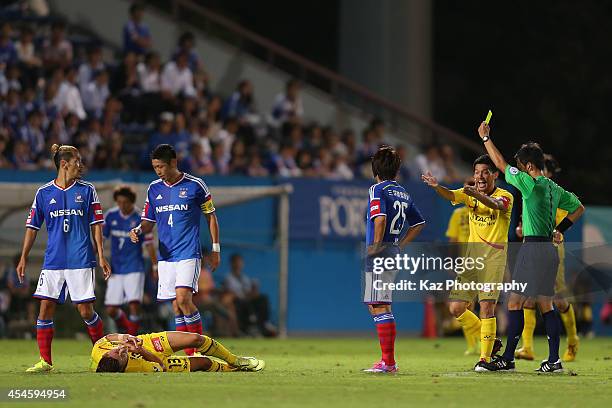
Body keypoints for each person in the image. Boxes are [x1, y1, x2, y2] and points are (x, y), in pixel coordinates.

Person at [477, 121, 584, 373]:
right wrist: (560, 229)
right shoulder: (553, 187)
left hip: (533, 249)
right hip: (549, 249)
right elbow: (579, 208)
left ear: (527, 166)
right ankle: (554, 361)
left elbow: (500, 164)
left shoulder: (528, 183)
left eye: (520, 165)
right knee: (546, 304)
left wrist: (485, 139)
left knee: (514, 303)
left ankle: (508, 359)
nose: (517, 169)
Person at [17, 144, 112, 372]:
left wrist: (101, 256)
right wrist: (23, 257)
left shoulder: (88, 190)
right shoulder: (44, 193)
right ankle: (45, 362)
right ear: (64, 164)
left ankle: (103, 357)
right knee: (45, 308)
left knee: (86, 312)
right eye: (77, 161)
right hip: (54, 260)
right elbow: (32, 227)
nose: (81, 165)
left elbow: (96, 225)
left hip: (81, 258)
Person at [422, 154, 512, 371]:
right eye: (476, 172)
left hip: (494, 260)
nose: (479, 176)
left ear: (495, 174)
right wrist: (436, 186)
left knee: (487, 306)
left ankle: (484, 358)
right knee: (456, 307)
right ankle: (491, 340)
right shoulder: (469, 193)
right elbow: (450, 194)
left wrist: (475, 194)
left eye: (484, 172)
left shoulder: (506, 195)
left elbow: (496, 205)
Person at [130, 144, 220, 356]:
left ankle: (199, 351)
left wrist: (215, 249)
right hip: (166, 256)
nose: (158, 171)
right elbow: (147, 222)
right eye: (155, 167)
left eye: (161, 166)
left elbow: (211, 216)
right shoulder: (154, 189)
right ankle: (189, 355)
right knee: (176, 307)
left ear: (173, 162)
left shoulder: (195, 185)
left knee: (183, 299)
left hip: (188, 253)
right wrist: (137, 230)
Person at [363, 146, 426, 373]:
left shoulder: (377, 189)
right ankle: (387, 360)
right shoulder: (403, 193)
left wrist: (376, 247)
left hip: (381, 253)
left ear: (375, 170)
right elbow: (418, 223)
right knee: (378, 304)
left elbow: (379, 219)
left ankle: (388, 362)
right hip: (392, 252)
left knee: (379, 305)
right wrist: (399, 245)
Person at [515, 154, 580, 362]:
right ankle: (527, 347)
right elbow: (527, 219)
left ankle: (572, 341)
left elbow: (569, 216)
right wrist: (521, 228)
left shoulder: (554, 195)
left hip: (551, 250)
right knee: (527, 298)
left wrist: (559, 229)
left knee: (558, 301)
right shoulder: (533, 190)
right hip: (532, 247)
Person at [103, 185, 157, 336]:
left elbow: (149, 244)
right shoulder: (111, 215)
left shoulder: (141, 218)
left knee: (134, 305)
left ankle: (131, 339)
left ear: (132, 202)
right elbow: (101, 239)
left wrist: (154, 265)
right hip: (116, 268)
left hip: (134, 268)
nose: (122, 205)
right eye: (119, 202)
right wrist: (98, 258)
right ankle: (128, 331)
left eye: (125, 202)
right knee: (111, 309)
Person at [91, 331, 264, 373]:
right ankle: (233, 369)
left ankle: (234, 360)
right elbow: (159, 365)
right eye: (123, 355)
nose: (121, 350)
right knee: (204, 363)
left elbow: (107, 337)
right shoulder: (136, 368)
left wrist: (124, 338)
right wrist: (140, 351)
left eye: (116, 350)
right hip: (151, 357)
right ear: (123, 367)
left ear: (106, 354)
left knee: (196, 339)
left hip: (148, 342)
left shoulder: (99, 350)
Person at [224, 254, 276, 337]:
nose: (238, 264)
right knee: (244, 303)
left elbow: (248, 291)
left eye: (240, 262)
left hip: (247, 299)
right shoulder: (228, 278)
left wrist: (253, 291)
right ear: (232, 263)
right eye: (236, 262)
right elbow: (231, 292)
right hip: (237, 301)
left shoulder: (244, 278)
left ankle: (264, 324)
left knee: (263, 299)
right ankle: (249, 327)